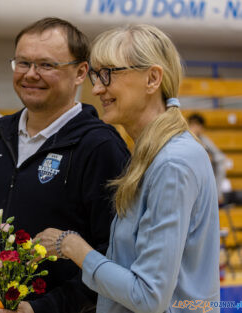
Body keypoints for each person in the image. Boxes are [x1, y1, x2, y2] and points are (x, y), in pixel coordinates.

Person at [36, 24, 220, 313]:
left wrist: (72, 246)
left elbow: (148, 296)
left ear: (152, 78)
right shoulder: (156, 153)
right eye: (96, 76)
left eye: (108, 74)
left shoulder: (172, 162)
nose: (96, 88)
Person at [0, 18, 130, 313]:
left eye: (46, 65)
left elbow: (115, 256)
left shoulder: (100, 147)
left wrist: (44, 308)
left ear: (81, 72)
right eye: (23, 62)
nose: (30, 75)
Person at [188, 113, 227, 202]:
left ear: (201, 128)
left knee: (220, 164)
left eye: (197, 125)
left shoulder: (204, 140)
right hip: (188, 175)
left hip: (202, 179)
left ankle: (216, 195)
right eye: (192, 124)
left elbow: (220, 157)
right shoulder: (183, 139)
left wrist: (209, 159)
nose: (194, 127)